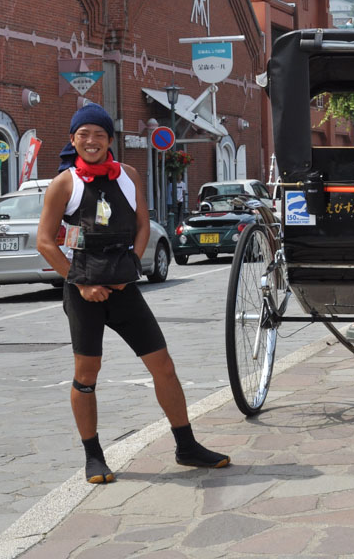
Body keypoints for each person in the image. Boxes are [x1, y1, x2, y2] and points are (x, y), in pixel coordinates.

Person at [37, 104, 229, 484]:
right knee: (87, 374)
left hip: (124, 289)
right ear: (73, 139)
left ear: (110, 140)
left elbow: (144, 226)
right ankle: (93, 456)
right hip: (83, 292)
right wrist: (81, 283)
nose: (91, 141)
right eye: (84, 134)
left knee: (164, 366)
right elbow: (45, 242)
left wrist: (131, 268)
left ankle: (186, 446)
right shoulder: (65, 183)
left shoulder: (129, 175)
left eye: (99, 135)